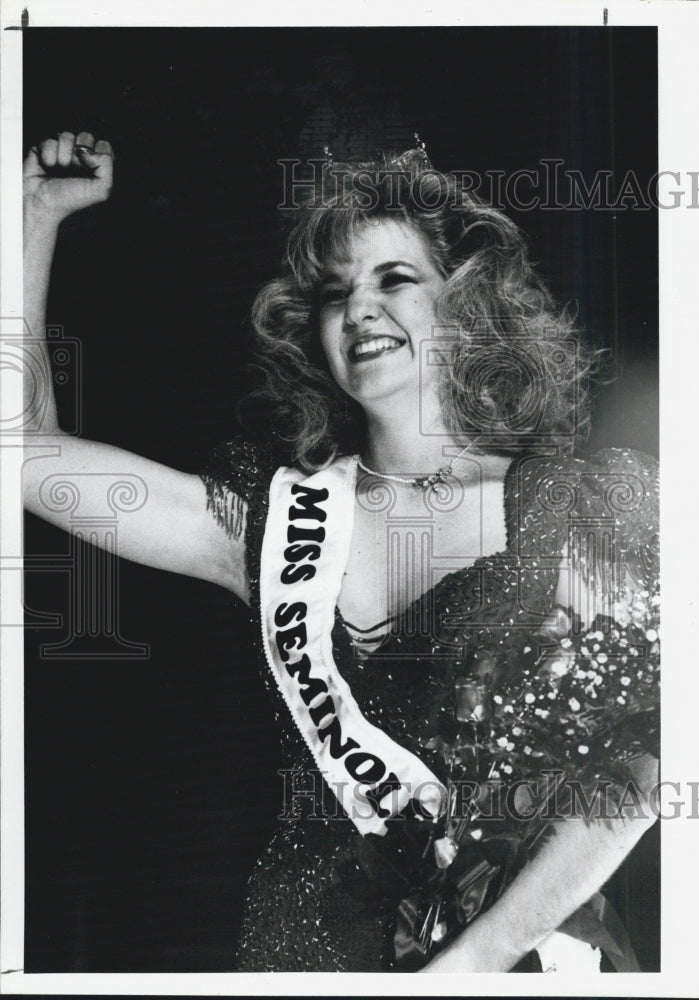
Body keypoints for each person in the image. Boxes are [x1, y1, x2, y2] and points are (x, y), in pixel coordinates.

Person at [23, 129, 659, 973]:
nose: (359, 308)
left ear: (466, 306)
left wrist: (467, 967)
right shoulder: (267, 522)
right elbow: (20, 452)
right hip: (304, 959)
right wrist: (34, 216)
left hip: (514, 963)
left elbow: (642, 765)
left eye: (394, 279)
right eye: (334, 293)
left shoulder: (578, 508)